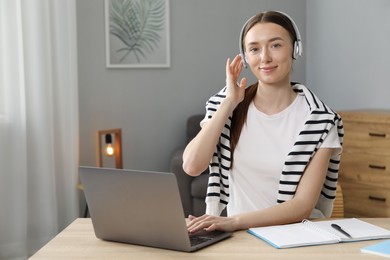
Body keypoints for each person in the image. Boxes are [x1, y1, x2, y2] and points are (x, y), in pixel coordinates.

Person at [182, 11, 344, 233]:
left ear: (296, 49)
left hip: (293, 238)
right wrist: (229, 102)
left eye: (276, 45)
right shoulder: (226, 105)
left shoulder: (320, 121)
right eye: (254, 49)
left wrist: (234, 222)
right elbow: (192, 165)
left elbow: (302, 206)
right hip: (239, 240)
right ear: (246, 56)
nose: (265, 58)